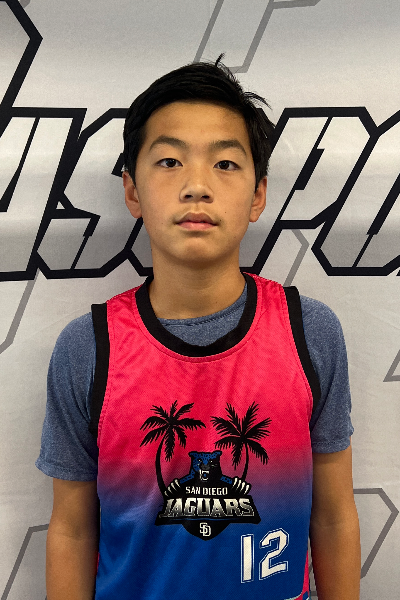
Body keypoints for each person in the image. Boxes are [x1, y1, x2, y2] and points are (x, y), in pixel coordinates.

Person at [36, 55, 360, 600]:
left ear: (258, 195)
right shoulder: (88, 348)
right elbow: (71, 529)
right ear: (132, 191)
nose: (196, 186)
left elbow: (332, 516)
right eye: (169, 161)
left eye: (225, 163)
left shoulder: (310, 332)